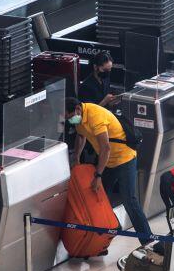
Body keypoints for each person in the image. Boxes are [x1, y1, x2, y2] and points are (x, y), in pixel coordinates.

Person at [65, 97, 153, 245]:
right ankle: (109, 231)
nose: (70, 120)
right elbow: (81, 136)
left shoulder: (95, 116)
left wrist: (98, 175)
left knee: (129, 200)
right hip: (107, 162)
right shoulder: (80, 120)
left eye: (70, 117)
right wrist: (76, 156)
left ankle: (148, 241)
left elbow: (105, 148)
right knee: (98, 197)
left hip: (124, 159)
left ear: (78, 109)